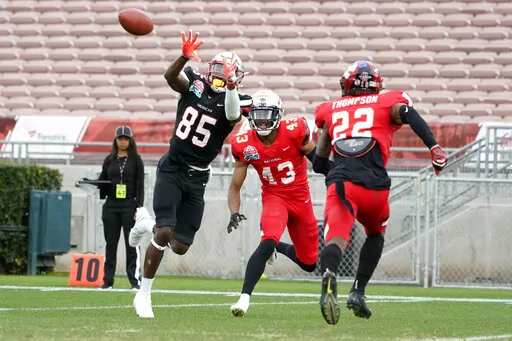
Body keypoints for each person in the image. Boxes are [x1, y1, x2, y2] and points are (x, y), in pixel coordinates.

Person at [128, 30, 252, 318]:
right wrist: (183, 55)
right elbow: (171, 78)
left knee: (181, 245)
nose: (220, 76)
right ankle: (144, 294)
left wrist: (231, 87)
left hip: (198, 177)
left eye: (227, 73)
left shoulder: (235, 100)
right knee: (166, 230)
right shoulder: (195, 84)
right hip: (173, 167)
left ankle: (146, 223)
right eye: (218, 70)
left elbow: (233, 116)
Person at [313, 60, 448, 325]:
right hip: (376, 188)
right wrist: (433, 146)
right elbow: (407, 112)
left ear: (346, 84)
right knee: (375, 234)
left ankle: (330, 273)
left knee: (336, 239)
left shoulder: (329, 110)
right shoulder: (386, 102)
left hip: (344, 186)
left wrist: (337, 169)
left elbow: (319, 162)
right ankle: (358, 292)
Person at [227, 89, 329, 317]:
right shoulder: (243, 144)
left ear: (278, 114)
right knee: (266, 241)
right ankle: (244, 298)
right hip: (274, 198)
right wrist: (234, 211)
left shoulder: (294, 131)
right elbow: (235, 186)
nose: (262, 121)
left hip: (301, 200)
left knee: (309, 264)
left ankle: (278, 247)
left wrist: (339, 176)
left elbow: (319, 163)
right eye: (258, 114)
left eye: (267, 114)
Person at [96, 125, 145, 290]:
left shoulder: (136, 160)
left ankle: (134, 281)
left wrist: (138, 207)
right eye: (120, 138)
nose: (122, 142)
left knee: (132, 243)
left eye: (126, 139)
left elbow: (140, 185)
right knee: (110, 244)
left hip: (129, 205)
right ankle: (107, 281)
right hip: (111, 205)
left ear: (130, 141)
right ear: (115, 140)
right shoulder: (109, 159)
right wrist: (92, 184)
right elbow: (102, 181)